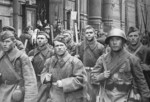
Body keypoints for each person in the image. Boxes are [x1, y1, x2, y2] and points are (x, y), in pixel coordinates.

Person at [91, 28, 150, 102]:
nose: (114, 42)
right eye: (112, 40)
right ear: (108, 42)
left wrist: (146, 98)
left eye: (118, 39)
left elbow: (141, 82)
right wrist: (101, 76)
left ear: (123, 42)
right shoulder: (102, 59)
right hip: (106, 97)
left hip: (126, 97)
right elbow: (92, 77)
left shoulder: (132, 59)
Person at [41, 35, 88, 102]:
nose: (59, 48)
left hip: (71, 96)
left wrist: (64, 83)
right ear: (54, 48)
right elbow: (43, 73)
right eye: (57, 46)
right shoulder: (50, 61)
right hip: (54, 96)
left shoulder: (75, 61)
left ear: (66, 46)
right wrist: (45, 78)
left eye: (61, 45)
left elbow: (82, 79)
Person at [0, 31, 38, 102]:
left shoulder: (22, 57)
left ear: (14, 42)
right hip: (2, 91)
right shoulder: (1, 56)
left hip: (16, 91)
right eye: (2, 42)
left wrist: (29, 100)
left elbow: (30, 81)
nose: (4, 44)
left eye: (7, 41)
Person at [78, 25, 104, 102]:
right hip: (84, 72)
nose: (89, 34)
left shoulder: (100, 47)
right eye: (87, 33)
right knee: (84, 93)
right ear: (84, 34)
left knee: (94, 93)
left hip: (95, 72)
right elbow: (81, 57)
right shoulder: (82, 45)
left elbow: (103, 62)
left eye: (91, 32)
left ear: (94, 34)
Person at [28, 31, 54, 102]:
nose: (39, 40)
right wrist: (28, 62)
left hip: (47, 82)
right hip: (35, 80)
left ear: (46, 40)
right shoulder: (32, 52)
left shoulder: (52, 52)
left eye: (42, 38)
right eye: (38, 38)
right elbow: (27, 69)